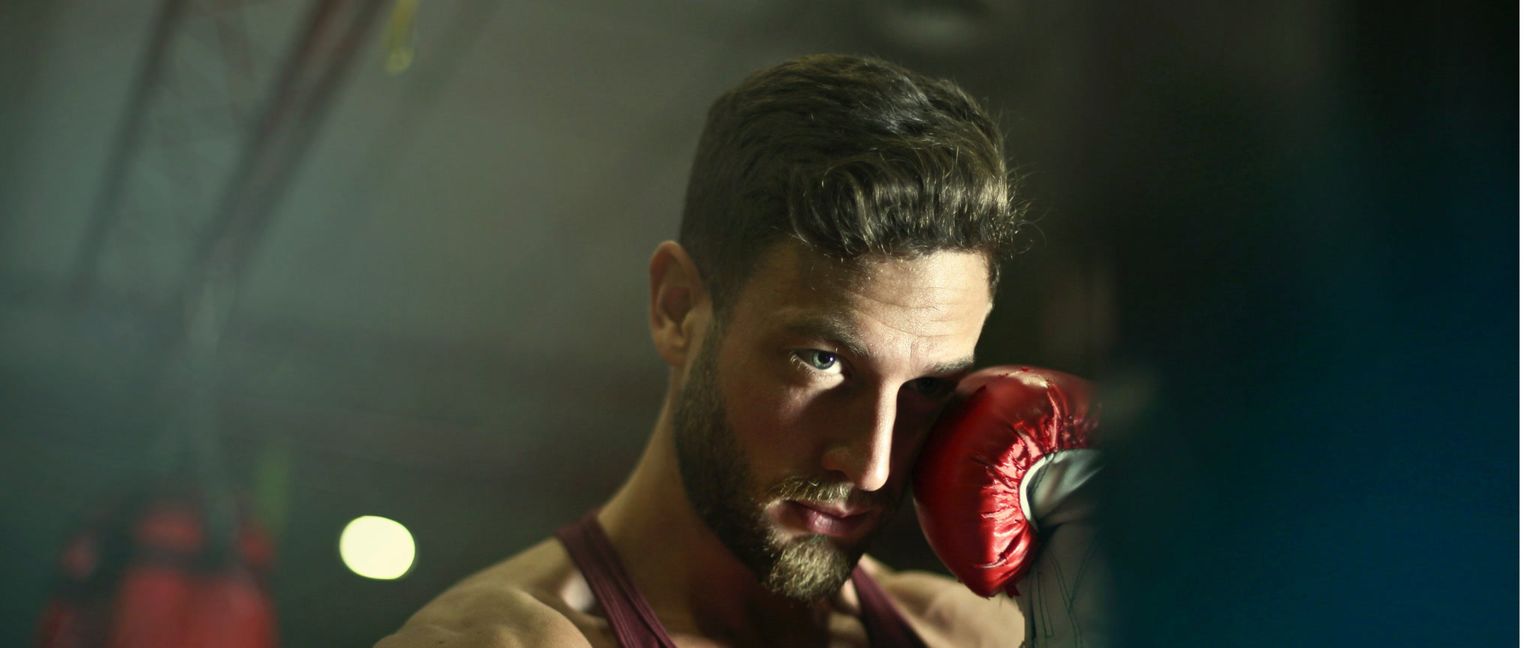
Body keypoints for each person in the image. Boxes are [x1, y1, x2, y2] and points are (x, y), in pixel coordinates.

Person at [378, 53, 1030, 648]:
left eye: (926, 389)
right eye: (824, 360)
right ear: (678, 309)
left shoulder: (969, 635)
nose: (872, 468)